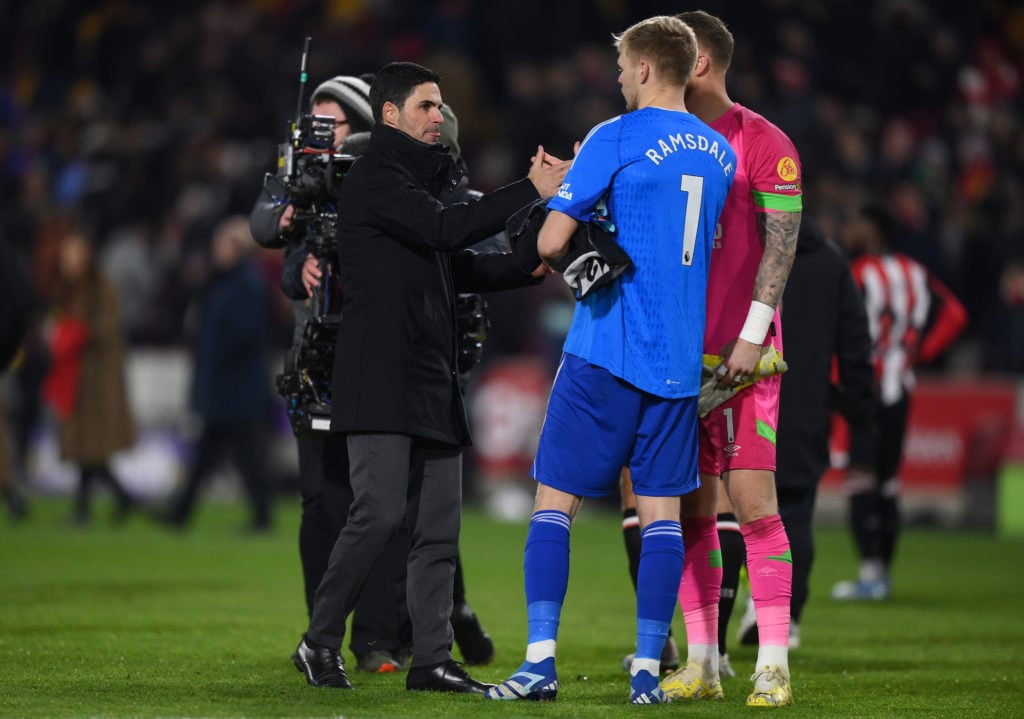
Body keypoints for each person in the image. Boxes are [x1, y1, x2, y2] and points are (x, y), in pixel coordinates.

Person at [290, 60, 569, 694]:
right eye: (425, 105)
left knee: (439, 529)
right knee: (378, 514)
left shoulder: (424, 184)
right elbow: (447, 231)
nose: (438, 115)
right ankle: (320, 641)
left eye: (441, 105)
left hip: (431, 376)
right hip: (380, 374)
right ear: (390, 114)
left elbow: (458, 267)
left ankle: (433, 661)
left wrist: (531, 260)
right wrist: (530, 189)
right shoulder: (373, 179)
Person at [485, 16, 736, 705]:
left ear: (649, 68)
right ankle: (649, 673)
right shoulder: (719, 154)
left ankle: (539, 663)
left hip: (607, 350)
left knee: (554, 503)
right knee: (660, 516)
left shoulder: (613, 136)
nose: (619, 78)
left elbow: (553, 242)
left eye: (624, 67)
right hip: (679, 364)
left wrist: (551, 194)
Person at [650, 9, 802, 707]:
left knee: (753, 504)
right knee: (688, 511)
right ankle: (704, 660)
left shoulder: (765, 141)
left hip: (744, 360)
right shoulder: (663, 142)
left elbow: (781, 244)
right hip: (673, 362)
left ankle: (773, 660)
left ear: (699, 63)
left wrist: (753, 332)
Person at [251, 74, 412, 673]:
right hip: (316, 360)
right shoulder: (304, 180)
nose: (321, 140)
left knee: (380, 504)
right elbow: (268, 231)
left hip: (376, 359)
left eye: (333, 126)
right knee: (321, 503)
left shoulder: (389, 175)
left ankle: (376, 640)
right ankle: (320, 633)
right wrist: (302, 267)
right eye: (313, 128)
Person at [726, 216, 874, 655]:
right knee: (793, 512)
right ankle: (784, 617)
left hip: (741, 394)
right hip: (805, 405)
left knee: (732, 515)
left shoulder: (740, 248)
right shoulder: (830, 263)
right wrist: (859, 401)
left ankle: (727, 620)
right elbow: (855, 340)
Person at [830, 202, 967, 600]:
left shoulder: (857, 273)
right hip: (900, 386)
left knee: (860, 481)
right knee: (888, 485)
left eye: (856, 223)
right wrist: (918, 354)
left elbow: (846, 335)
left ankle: (870, 575)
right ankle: (883, 574)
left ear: (872, 231)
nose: (849, 229)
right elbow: (956, 314)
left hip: (864, 390)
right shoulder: (915, 271)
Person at [163, 216, 274, 532]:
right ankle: (183, 511)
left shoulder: (246, 284)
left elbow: (244, 332)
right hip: (228, 384)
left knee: (241, 455)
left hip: (237, 384)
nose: (216, 251)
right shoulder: (224, 281)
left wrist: (216, 353)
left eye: (222, 245)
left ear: (237, 248)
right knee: (220, 454)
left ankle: (186, 512)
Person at [41, 227, 138, 525]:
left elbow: (108, 330)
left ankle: (94, 507)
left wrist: (74, 335)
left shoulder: (100, 289)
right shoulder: (68, 292)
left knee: (90, 449)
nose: (69, 261)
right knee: (88, 450)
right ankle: (113, 501)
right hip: (77, 377)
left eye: (75, 255)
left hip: (96, 381)